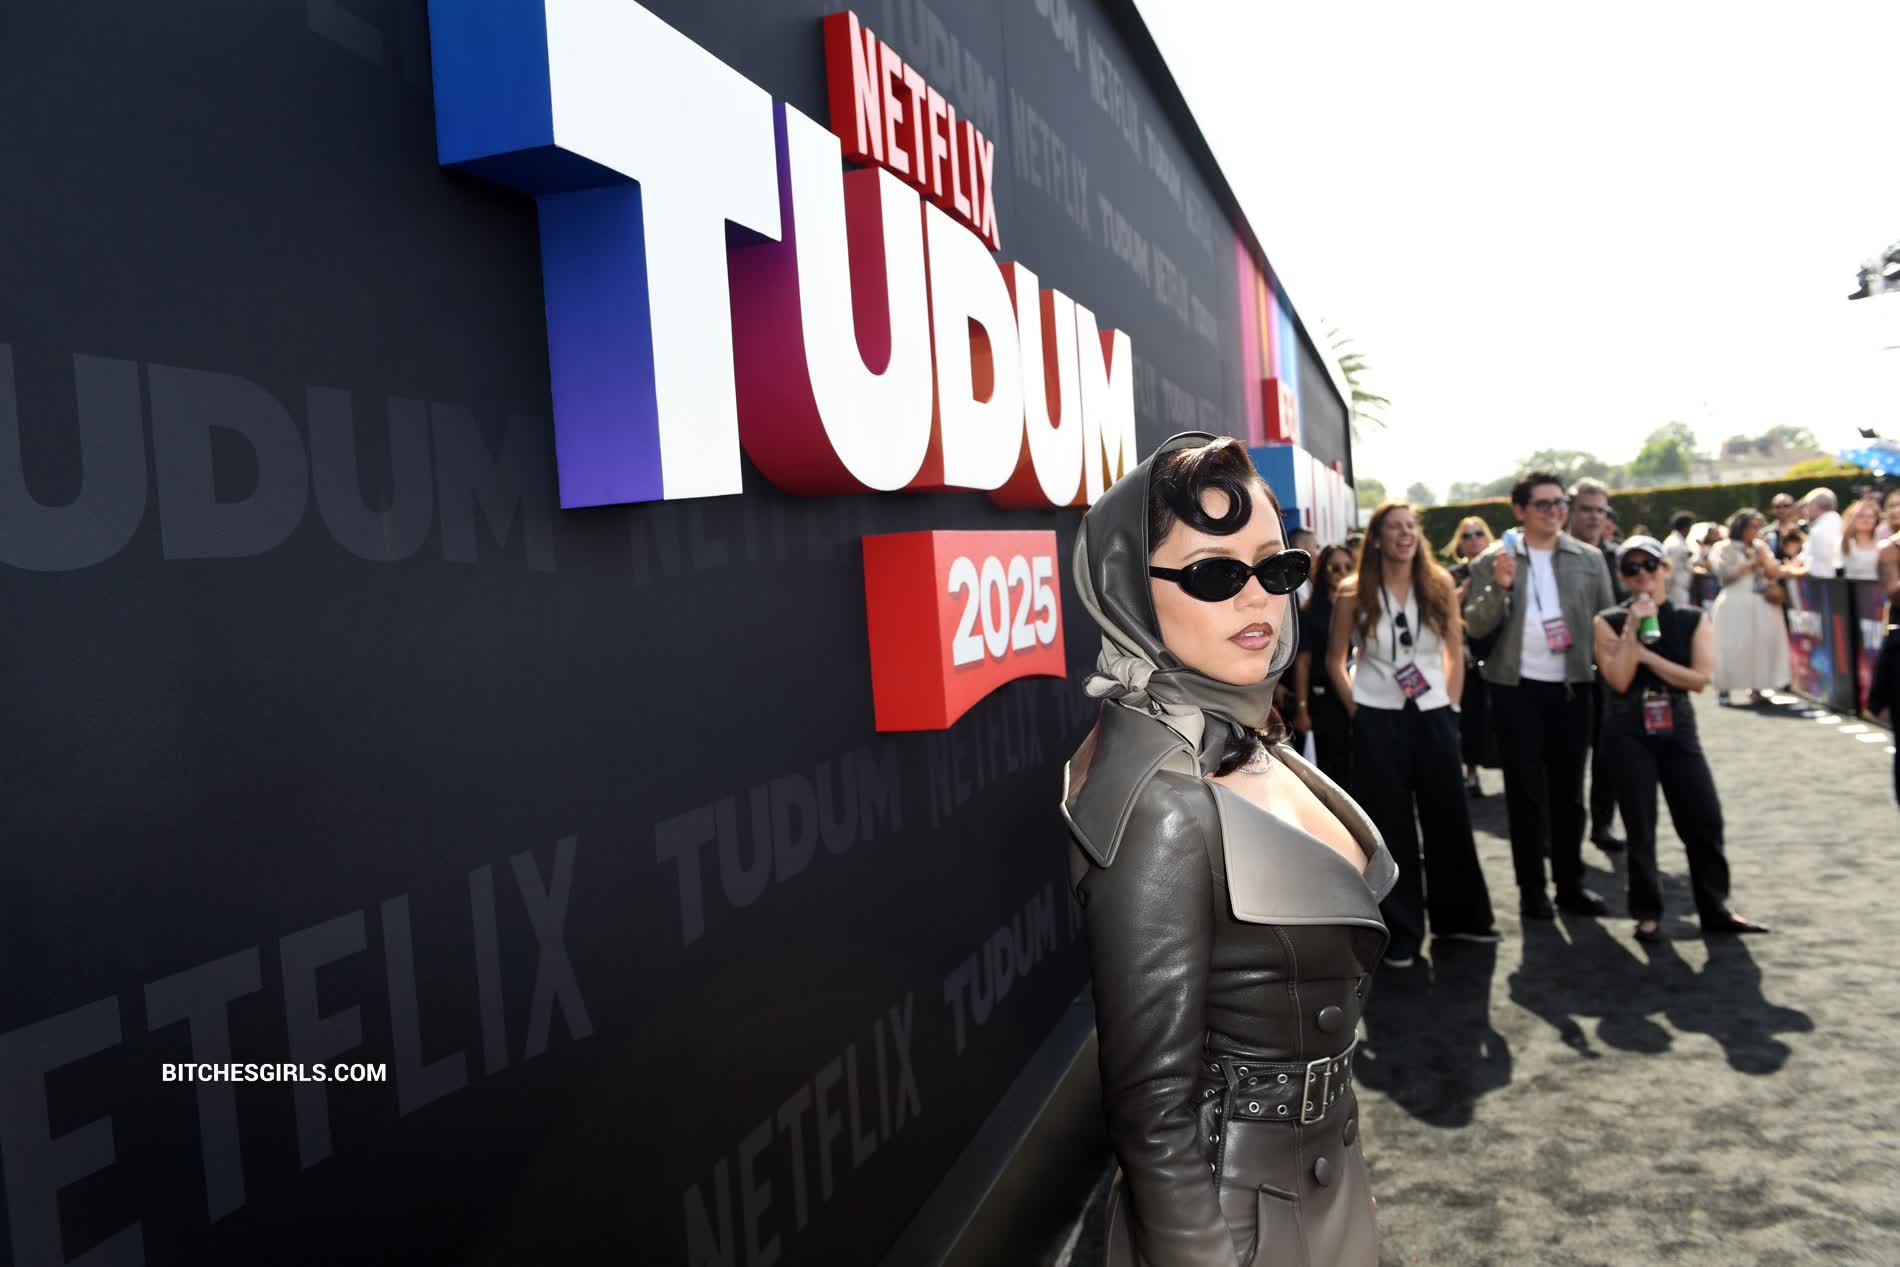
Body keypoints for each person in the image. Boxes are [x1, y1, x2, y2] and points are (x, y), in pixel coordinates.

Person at [1063, 432, 1396, 1267]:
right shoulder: (1164, 804)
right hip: (1234, 1223)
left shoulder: (1244, 733)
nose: (1258, 598)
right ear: (1128, 588)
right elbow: (1153, 1117)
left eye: (1277, 568)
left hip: (1321, 1179)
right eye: (1215, 574)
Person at [1329, 502, 1497, 967]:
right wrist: (1358, 710)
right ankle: (1401, 932)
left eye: (1410, 527)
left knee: (1449, 816)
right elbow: (1335, 660)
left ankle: (1460, 920)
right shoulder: (1352, 591)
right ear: (1376, 538)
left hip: (1434, 715)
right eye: (1394, 528)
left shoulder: (1438, 583)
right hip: (1377, 718)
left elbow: (1454, 651)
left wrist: (1452, 706)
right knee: (1390, 825)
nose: (1405, 534)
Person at [1593, 536, 1772, 941]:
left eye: (1649, 565)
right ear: (1621, 577)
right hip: (1627, 728)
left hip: (1677, 724)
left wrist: (1647, 657)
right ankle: (1647, 913)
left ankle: (1715, 906)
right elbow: (1618, 679)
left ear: (1665, 569)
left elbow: (1698, 679)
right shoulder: (1608, 621)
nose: (1641, 575)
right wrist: (1633, 628)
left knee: (1704, 817)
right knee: (1640, 825)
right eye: (1631, 568)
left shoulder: (1691, 618)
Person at [1462, 471, 1615, 919]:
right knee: (1525, 793)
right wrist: (1500, 585)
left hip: (1573, 687)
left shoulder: (1589, 558)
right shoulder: (1493, 559)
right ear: (1520, 510)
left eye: (1560, 503)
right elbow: (1476, 625)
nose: (1555, 511)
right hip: (1515, 689)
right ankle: (1532, 890)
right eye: (1544, 504)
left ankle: (1571, 885)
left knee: (1569, 793)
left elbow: (1607, 622)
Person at [1567, 477, 1626, 852]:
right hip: (1566, 671)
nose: (1593, 517)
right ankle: (1563, 831)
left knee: (1609, 755)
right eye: (1586, 509)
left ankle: (1602, 823)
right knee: (1566, 760)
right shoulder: (1553, 557)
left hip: (1610, 673)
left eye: (1600, 510)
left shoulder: (1621, 558)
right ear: (1570, 511)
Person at [1709, 509, 1790, 705]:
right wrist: (1751, 563)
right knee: (1731, 646)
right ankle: (1724, 687)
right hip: (1733, 603)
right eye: (1753, 526)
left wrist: (1765, 562)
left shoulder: (1760, 546)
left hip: (1760, 603)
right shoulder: (1723, 547)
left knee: (1758, 647)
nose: (1756, 530)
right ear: (1741, 527)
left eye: (1758, 526)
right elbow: (1724, 574)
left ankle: (1756, 687)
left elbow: (1774, 572)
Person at [1294, 543, 1356, 785]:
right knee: (1334, 770)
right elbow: (1303, 663)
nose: (1342, 573)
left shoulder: (1366, 609)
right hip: (1325, 700)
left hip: (1362, 695)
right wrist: (1302, 708)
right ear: (1323, 572)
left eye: (1348, 567)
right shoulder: (1309, 613)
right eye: (1335, 568)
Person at [1447, 517, 1500, 796]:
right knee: (1469, 717)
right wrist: (1456, 598)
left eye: (1479, 533)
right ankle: (1470, 773)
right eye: (1467, 536)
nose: (1474, 539)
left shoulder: (1499, 567)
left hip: (1499, 651)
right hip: (1466, 655)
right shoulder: (1453, 576)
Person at [1798, 488, 1843, 578]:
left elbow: (1817, 569)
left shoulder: (1819, 530)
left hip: (1825, 582)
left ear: (1815, 506)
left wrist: (1791, 571)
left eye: (1807, 505)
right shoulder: (1837, 521)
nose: (1805, 510)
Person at [1842, 497, 1883, 581]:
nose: (1865, 519)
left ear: (1876, 520)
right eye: (1860, 516)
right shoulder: (1847, 543)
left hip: (1876, 588)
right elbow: (1846, 535)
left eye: (1870, 516)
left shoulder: (1882, 544)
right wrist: (1860, 507)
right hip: (1852, 588)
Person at [1661, 510, 1696, 608]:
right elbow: (1670, 571)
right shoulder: (1675, 545)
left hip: (1678, 588)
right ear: (1686, 527)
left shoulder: (1677, 542)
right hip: (1675, 590)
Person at [1765, 493, 1801, 561]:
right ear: (1772, 509)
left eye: (1786, 506)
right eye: (1777, 506)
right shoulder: (1766, 532)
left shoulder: (1803, 528)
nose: (1782, 509)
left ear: (1794, 507)